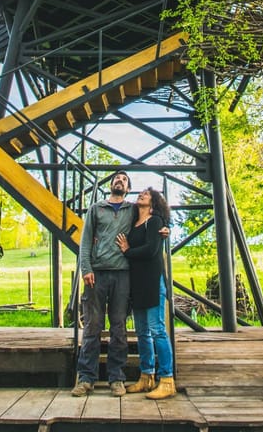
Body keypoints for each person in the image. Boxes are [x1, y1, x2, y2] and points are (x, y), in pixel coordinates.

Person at [71, 170, 136, 398]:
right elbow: (86, 239)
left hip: (122, 274)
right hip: (97, 274)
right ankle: (86, 378)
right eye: (117, 178)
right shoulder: (96, 209)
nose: (120, 180)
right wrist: (86, 268)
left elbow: (152, 219)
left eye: (125, 179)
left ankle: (116, 378)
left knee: (119, 327)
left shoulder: (132, 210)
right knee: (92, 326)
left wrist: (164, 229)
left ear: (128, 188)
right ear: (110, 184)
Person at [116, 187, 176, 400]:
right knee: (142, 332)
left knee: (157, 329)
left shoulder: (156, 221)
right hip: (138, 283)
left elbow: (151, 250)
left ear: (154, 201)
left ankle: (167, 379)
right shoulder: (134, 221)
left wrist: (128, 251)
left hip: (152, 281)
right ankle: (146, 376)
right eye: (140, 193)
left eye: (147, 193)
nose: (141, 194)